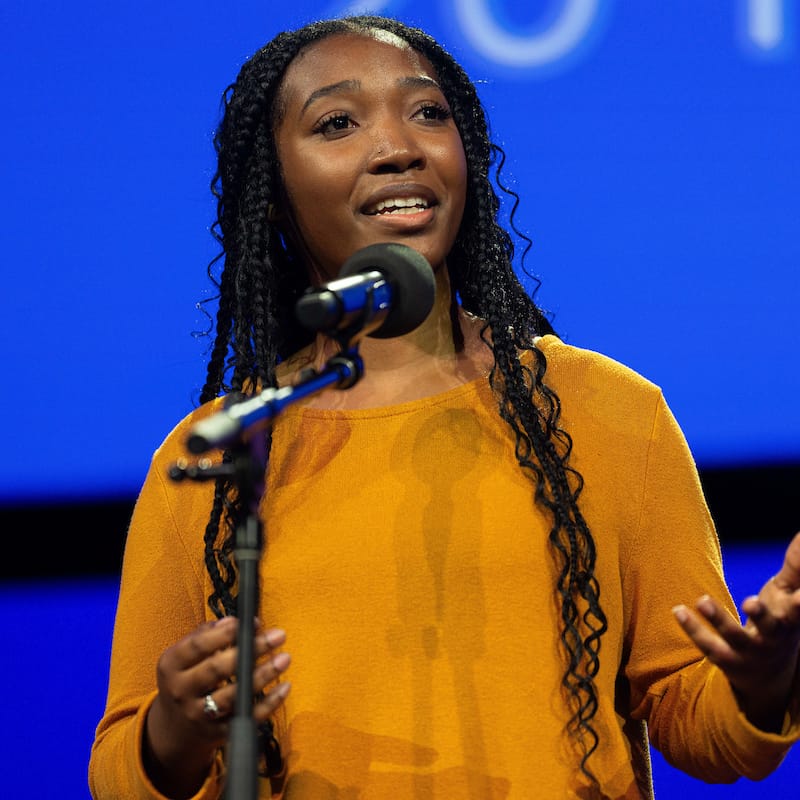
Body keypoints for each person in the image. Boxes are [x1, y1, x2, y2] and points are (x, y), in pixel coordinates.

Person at [88, 14, 800, 800]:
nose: (399, 147)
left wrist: (766, 678)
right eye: (337, 123)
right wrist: (176, 730)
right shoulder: (220, 452)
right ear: (275, 194)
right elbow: (119, 772)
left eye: (428, 112)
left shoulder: (608, 411)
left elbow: (702, 726)